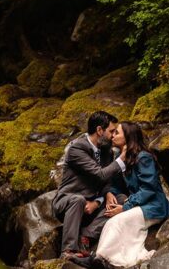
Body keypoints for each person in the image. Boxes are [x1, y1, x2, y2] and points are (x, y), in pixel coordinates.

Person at [72, 122, 169, 269]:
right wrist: (110, 193)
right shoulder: (123, 159)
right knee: (112, 218)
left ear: (128, 137)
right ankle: (100, 258)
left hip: (154, 207)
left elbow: (149, 189)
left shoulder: (143, 157)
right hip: (139, 205)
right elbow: (118, 186)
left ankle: (101, 260)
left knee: (117, 221)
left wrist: (126, 207)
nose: (112, 136)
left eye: (116, 133)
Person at [53, 110, 125, 258]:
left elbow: (105, 180)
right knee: (78, 200)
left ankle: (86, 236)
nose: (113, 136)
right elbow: (99, 174)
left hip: (91, 208)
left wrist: (101, 198)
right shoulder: (76, 149)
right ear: (99, 130)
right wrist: (122, 158)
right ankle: (68, 251)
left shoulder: (107, 151)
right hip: (67, 204)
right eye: (111, 131)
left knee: (121, 199)